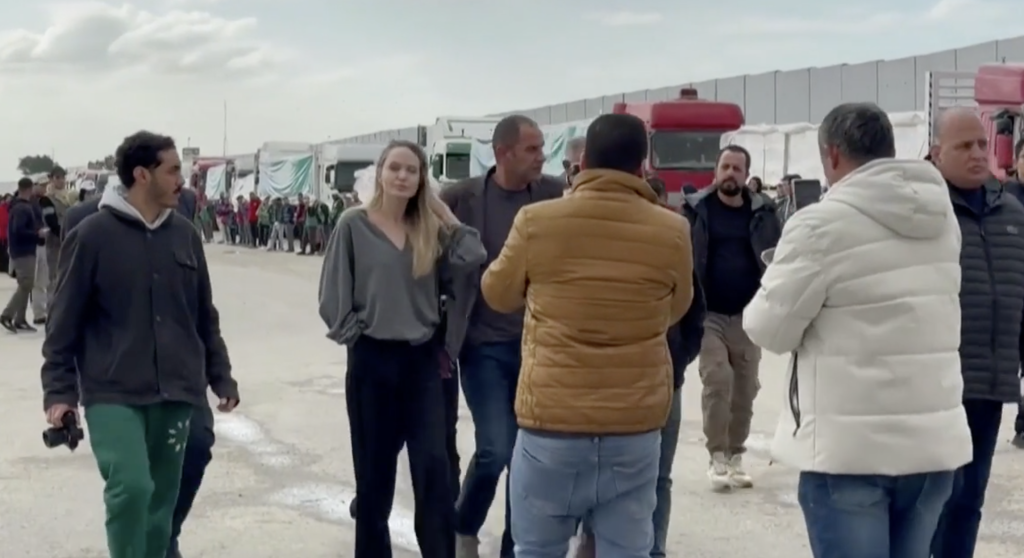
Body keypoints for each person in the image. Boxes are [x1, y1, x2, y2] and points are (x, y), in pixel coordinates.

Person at [743, 102, 972, 557]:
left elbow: (769, 330)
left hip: (848, 454)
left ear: (832, 154)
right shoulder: (941, 217)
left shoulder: (818, 225)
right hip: (932, 447)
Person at [480, 112, 692, 558]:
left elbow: (497, 294)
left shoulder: (536, 221)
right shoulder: (672, 229)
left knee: (536, 549)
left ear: (583, 161)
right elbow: (677, 307)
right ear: (642, 165)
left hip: (552, 421)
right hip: (633, 426)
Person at [41, 131, 240, 558]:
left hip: (177, 390)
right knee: (132, 488)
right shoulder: (91, 235)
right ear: (141, 175)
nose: (181, 181)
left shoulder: (185, 235)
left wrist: (221, 375)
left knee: (161, 505)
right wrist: (59, 393)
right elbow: (62, 321)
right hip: (113, 391)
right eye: (173, 171)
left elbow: (203, 313)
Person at [319, 139, 486, 558]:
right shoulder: (353, 225)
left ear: (422, 180)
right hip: (372, 361)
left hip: (422, 362)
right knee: (374, 481)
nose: (402, 176)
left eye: (412, 170)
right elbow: (332, 299)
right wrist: (358, 336)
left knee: (434, 472)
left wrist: (441, 211)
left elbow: (473, 255)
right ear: (380, 172)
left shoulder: (429, 229)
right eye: (394, 167)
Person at [439, 114, 564, 558]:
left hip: (540, 347)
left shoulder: (554, 195)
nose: (542, 157)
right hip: (482, 348)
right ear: (502, 152)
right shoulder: (460, 198)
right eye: (532, 149)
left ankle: (515, 546)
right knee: (496, 449)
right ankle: (464, 525)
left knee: (530, 457)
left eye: (542, 148)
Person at [574, 174, 707, 558]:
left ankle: (654, 549)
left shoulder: (674, 247)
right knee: (600, 472)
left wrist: (678, 360)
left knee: (659, 476)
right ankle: (592, 542)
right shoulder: (602, 252)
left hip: (665, 378)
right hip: (610, 379)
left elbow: (694, 311)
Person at [928, 108, 1024, 558]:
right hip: (938, 386)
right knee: (933, 501)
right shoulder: (926, 213)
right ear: (937, 153)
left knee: (969, 501)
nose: (977, 153)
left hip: (991, 384)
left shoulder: (1011, 211)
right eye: (964, 146)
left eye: (982, 144)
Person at [682, 144, 781, 491]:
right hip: (708, 313)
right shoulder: (696, 211)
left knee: (745, 390)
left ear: (747, 175)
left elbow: (778, 256)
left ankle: (735, 455)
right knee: (717, 379)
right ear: (715, 171)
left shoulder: (764, 214)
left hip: (748, 314)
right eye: (725, 166)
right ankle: (716, 457)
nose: (730, 174)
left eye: (737, 169)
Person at [1, 178, 45, 333]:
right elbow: (18, 230)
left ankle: (20, 319)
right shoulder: (22, 208)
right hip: (23, 251)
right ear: (29, 189)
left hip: (22, 250)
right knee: (26, 283)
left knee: (25, 285)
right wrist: (37, 234)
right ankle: (7, 314)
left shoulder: (18, 206)